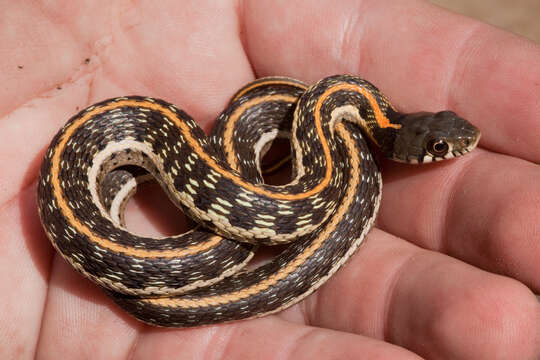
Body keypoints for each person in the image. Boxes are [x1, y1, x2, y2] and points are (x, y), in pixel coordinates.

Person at [1, 1, 538, 359]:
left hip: (259, 186)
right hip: (124, 197)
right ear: (398, 136)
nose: (450, 152)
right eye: (440, 149)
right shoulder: (334, 112)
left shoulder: (334, 112)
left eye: (440, 145)